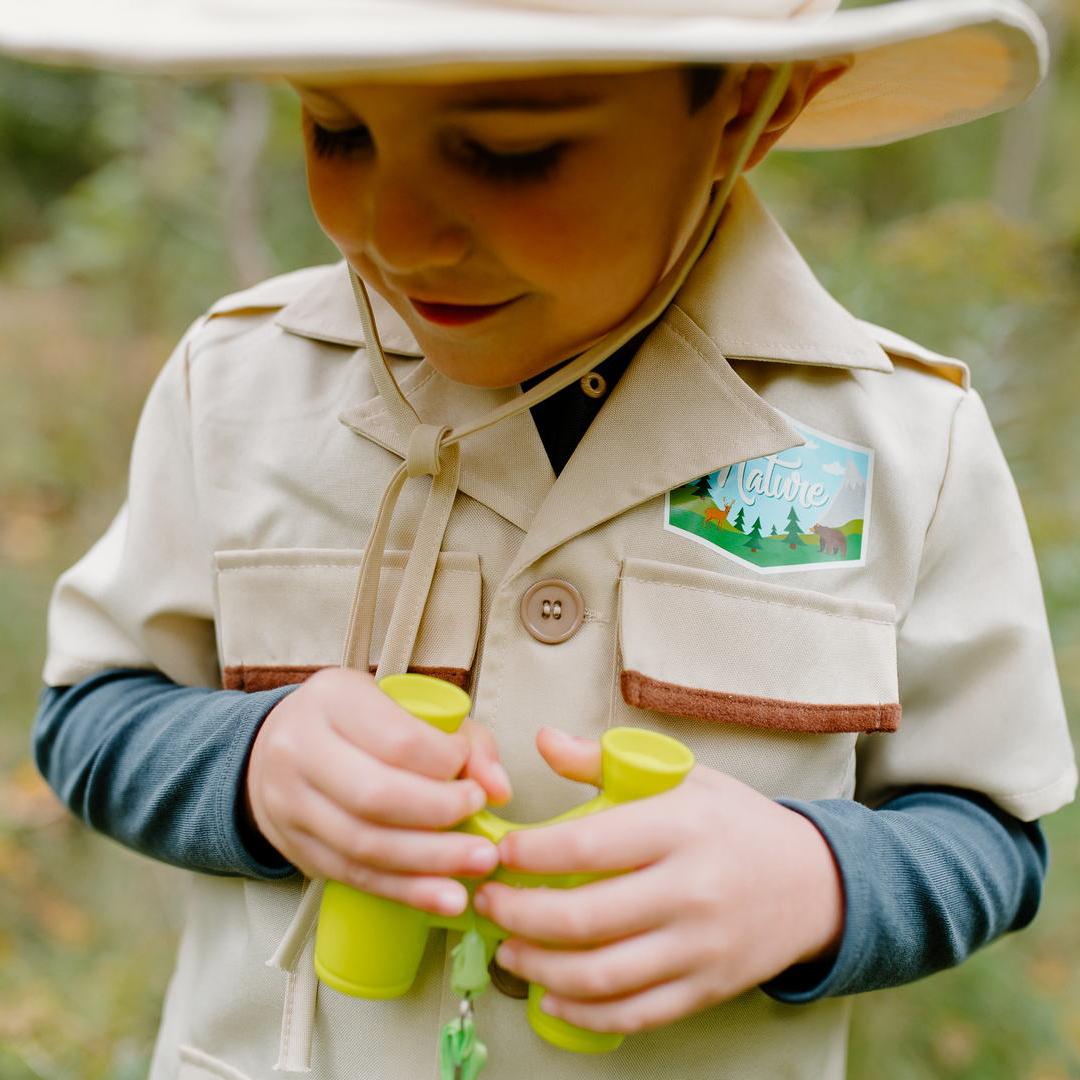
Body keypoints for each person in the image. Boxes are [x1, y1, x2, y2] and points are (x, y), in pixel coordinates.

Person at [8, 0, 1075, 1077]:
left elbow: (989, 828)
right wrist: (253, 764)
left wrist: (816, 882)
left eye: (508, 152)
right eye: (340, 133)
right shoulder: (238, 387)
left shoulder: (901, 446)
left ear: (748, 106)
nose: (399, 228)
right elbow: (92, 711)